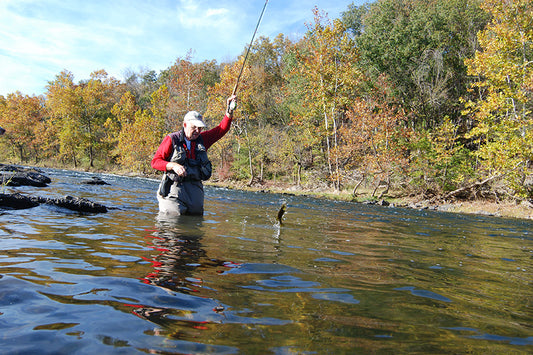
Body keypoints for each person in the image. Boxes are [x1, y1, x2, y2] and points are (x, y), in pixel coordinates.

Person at [151, 95, 236, 215]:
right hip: (174, 186)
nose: (197, 131)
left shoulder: (203, 139)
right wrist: (173, 166)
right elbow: (155, 162)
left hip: (195, 188)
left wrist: (229, 110)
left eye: (200, 128)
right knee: (173, 221)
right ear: (185, 125)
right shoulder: (171, 139)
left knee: (195, 224)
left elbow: (221, 129)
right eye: (194, 127)